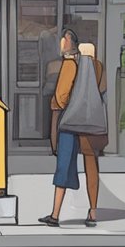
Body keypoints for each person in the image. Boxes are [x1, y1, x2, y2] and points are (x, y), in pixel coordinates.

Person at [39, 31, 107, 228]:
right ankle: (93, 212)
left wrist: (67, 109)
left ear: (71, 43)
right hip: (90, 123)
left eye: (64, 39)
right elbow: (102, 90)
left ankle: (55, 214)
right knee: (91, 166)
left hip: (70, 122)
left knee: (64, 166)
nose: (62, 42)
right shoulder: (97, 66)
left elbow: (61, 97)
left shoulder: (69, 64)